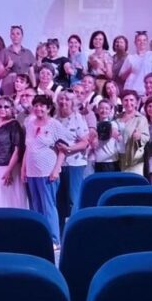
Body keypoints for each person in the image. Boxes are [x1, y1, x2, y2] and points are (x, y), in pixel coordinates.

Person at [23, 95, 69, 247]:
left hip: (48, 172)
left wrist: (56, 170)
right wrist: (24, 169)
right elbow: (28, 149)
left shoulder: (55, 125)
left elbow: (63, 150)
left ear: (48, 108)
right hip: (32, 172)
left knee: (48, 206)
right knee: (36, 206)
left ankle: (54, 239)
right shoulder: (29, 124)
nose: (38, 108)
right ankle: (40, 237)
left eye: (42, 106)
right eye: (36, 105)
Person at [0, 97, 28, 209]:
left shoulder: (14, 125)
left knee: (9, 201)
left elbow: (18, 150)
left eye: (6, 107)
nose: (2, 109)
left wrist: (9, 171)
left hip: (8, 167)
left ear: (12, 109)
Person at [55, 91, 90, 224]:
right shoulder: (55, 118)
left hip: (74, 163)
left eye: (67, 99)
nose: (63, 102)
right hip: (58, 164)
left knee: (73, 199)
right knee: (60, 199)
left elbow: (85, 142)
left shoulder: (77, 118)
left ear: (72, 102)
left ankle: (75, 225)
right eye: (61, 99)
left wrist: (68, 149)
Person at [115, 91, 150, 175]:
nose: (128, 103)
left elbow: (146, 137)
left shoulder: (141, 118)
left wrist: (139, 136)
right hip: (118, 158)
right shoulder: (117, 117)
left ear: (136, 102)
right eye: (126, 100)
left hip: (134, 159)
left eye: (131, 100)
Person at [121, 31, 152, 97]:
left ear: (147, 42)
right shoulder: (130, 57)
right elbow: (122, 77)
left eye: (144, 40)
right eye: (139, 40)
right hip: (131, 91)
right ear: (135, 42)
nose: (142, 42)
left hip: (146, 92)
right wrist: (130, 70)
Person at [89, 100, 123, 173]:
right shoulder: (94, 124)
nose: (104, 111)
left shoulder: (113, 123)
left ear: (110, 111)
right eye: (101, 108)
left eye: (107, 108)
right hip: (97, 162)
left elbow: (115, 131)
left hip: (111, 162)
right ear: (97, 110)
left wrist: (116, 134)